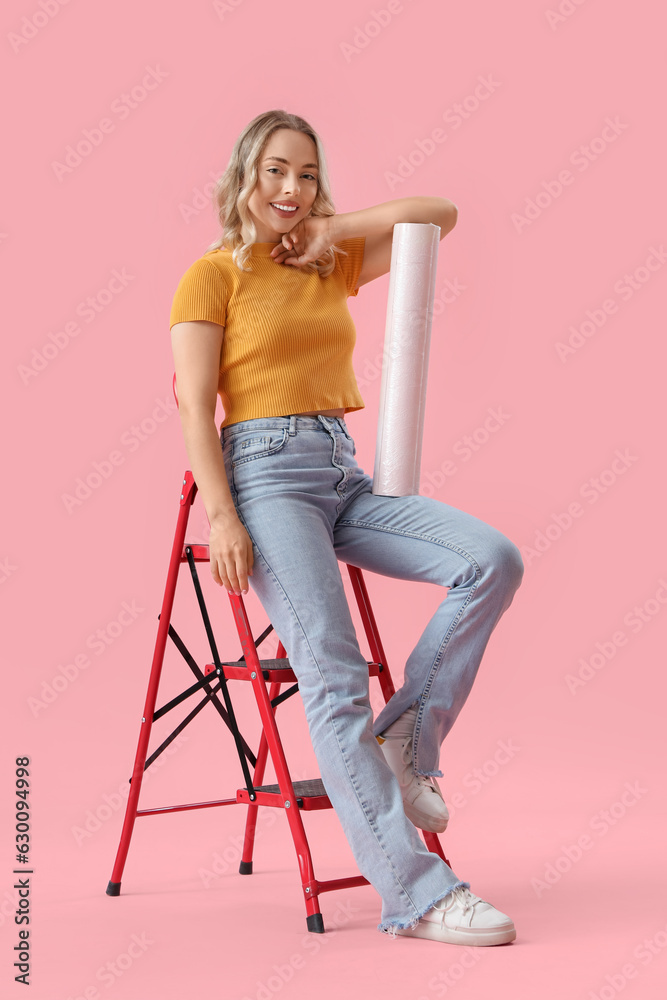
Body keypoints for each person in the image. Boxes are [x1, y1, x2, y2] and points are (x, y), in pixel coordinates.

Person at [169, 109, 524, 945]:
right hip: (263, 475)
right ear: (243, 180)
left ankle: (407, 735)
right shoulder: (210, 275)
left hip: (341, 469)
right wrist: (223, 514)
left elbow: (437, 213)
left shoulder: (328, 263)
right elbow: (192, 403)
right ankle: (420, 895)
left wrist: (322, 227)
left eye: (305, 175)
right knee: (331, 678)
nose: (290, 190)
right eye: (274, 174)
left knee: (489, 560)